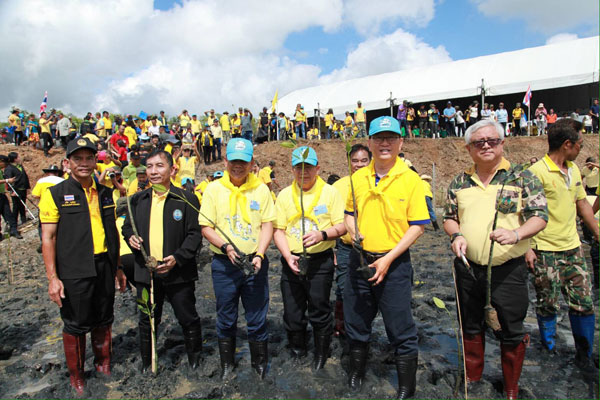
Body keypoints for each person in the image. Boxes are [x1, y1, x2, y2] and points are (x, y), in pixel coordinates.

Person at [443, 120, 548, 399]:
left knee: (512, 329)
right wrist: (456, 236)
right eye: (479, 142)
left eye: (492, 140)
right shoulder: (459, 182)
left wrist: (516, 234)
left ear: (502, 143)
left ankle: (511, 388)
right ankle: (473, 379)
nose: (486, 145)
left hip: (508, 270)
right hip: (467, 268)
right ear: (469, 148)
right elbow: (450, 219)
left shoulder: (521, 178)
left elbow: (539, 216)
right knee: (470, 324)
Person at [343, 116, 430, 398]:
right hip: (360, 261)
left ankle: (406, 387)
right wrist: (353, 231)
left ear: (400, 142)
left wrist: (388, 258)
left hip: (394, 265)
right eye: (379, 138)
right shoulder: (357, 177)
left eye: (391, 138)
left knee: (400, 327)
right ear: (369, 142)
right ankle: (356, 374)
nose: (384, 143)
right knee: (356, 322)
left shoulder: (411, 180)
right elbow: (348, 213)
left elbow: (418, 226)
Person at [39, 138, 126, 395]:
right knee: (75, 324)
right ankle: (77, 377)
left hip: (105, 266)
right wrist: (52, 278)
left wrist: (118, 268)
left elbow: (112, 232)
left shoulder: (106, 193)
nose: (85, 164)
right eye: (78, 159)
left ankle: (103, 364)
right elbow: (48, 238)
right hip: (74, 269)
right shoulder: (54, 194)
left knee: (104, 317)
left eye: (90, 158)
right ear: (67, 163)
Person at [526, 119, 599, 376]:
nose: (581, 148)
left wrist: (598, 233)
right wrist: (527, 248)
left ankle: (584, 354)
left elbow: (583, 206)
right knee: (548, 303)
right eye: (579, 144)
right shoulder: (535, 172)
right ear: (566, 144)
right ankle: (549, 348)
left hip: (573, 248)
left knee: (584, 302)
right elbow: (521, 213)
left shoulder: (575, 170)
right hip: (544, 249)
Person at [199, 138, 274, 380]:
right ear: (225, 161)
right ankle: (227, 365)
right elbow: (206, 227)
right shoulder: (213, 189)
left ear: (252, 162)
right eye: (233, 161)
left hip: (255, 263)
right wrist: (226, 246)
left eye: (243, 161)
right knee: (226, 314)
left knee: (256, 315)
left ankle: (259, 364)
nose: (238, 166)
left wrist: (260, 254)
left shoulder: (261, 189)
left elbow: (267, 224)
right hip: (224, 265)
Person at [122, 150, 203, 372]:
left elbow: (195, 234)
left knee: (187, 317)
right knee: (147, 319)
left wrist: (177, 258)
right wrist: (131, 237)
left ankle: (195, 360)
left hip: (178, 272)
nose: (154, 171)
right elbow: (127, 226)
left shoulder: (186, 198)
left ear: (172, 169)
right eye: (149, 166)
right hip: (146, 273)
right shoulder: (137, 200)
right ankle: (148, 363)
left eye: (159, 166)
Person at [273, 146, 346, 370]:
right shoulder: (285, 195)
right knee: (292, 311)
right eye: (298, 167)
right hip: (291, 262)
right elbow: (279, 229)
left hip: (320, 261)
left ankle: (321, 355)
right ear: (292, 169)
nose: (303, 172)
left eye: (308, 167)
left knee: (319, 309)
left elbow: (342, 226)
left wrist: (322, 235)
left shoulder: (330, 193)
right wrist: (287, 256)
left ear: (318, 168)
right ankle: (298, 351)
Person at [331, 144, 371, 337]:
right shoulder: (338, 187)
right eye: (354, 160)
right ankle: (341, 327)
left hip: (372, 248)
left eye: (364, 160)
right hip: (346, 247)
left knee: (368, 290)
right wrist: (334, 251)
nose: (359, 164)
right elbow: (331, 220)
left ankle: (362, 327)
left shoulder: (376, 182)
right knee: (343, 287)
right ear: (348, 162)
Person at [4, 152, 31, 225]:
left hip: (23, 188)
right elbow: (8, 181)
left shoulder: (20, 166)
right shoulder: (9, 168)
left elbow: (24, 176)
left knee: (23, 205)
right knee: (16, 206)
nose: (20, 158)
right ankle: (14, 223)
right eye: (18, 157)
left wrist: (27, 186)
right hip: (16, 189)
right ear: (15, 159)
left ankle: (23, 220)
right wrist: (11, 190)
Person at [0, 155, 21, 239]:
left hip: (2, 194)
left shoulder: (1, 171)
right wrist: (7, 180)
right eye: (5, 163)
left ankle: (13, 230)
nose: (5, 165)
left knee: (8, 213)